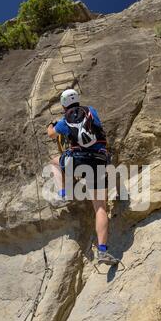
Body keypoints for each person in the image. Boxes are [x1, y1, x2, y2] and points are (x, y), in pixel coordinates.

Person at [47, 89, 118, 265]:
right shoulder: (91, 111)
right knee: (100, 207)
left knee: (54, 162)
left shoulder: (64, 121)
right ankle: (102, 250)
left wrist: (50, 126)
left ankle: (64, 192)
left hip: (76, 161)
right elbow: (98, 129)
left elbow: (52, 134)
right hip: (98, 160)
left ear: (64, 105)